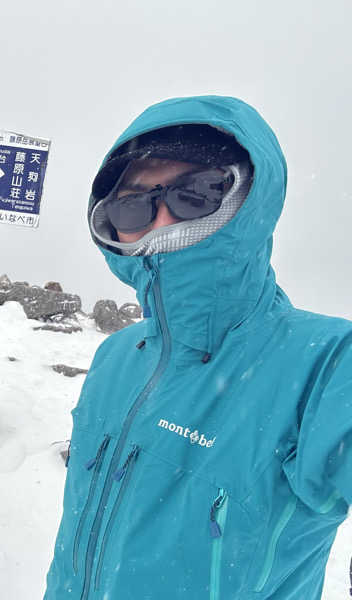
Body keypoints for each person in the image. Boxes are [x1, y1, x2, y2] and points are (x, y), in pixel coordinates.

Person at [43, 95, 351, 599]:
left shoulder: (327, 363)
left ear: (251, 196)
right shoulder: (115, 357)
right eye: (133, 202)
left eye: (197, 192)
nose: (162, 220)